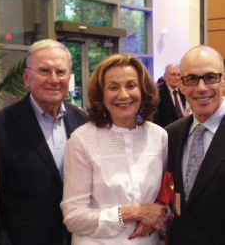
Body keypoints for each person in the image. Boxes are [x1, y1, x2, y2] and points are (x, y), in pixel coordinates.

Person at [61, 54, 168, 245]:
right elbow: (74, 217)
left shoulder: (159, 137)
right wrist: (134, 212)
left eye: (131, 85)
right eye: (113, 87)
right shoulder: (82, 140)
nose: (123, 95)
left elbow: (165, 196)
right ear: (101, 96)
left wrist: (158, 215)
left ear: (142, 90)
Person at [0, 39, 87, 245]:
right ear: (27, 77)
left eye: (60, 72)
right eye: (44, 71)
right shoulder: (0, 126)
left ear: (69, 78)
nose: (54, 79)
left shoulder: (83, 122)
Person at [166, 46, 225, 245]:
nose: (201, 87)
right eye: (191, 78)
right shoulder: (172, 134)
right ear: (181, 85)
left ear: (223, 80)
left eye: (210, 77)